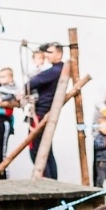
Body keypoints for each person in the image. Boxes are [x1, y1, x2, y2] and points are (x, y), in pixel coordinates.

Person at [25, 42, 65, 179]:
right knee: (46, 150)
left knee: (36, 149)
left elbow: (31, 83)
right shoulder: (56, 70)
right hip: (45, 111)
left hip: (41, 112)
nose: (47, 55)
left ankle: (46, 179)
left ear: (59, 54)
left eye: (50, 52)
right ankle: (51, 179)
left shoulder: (55, 70)